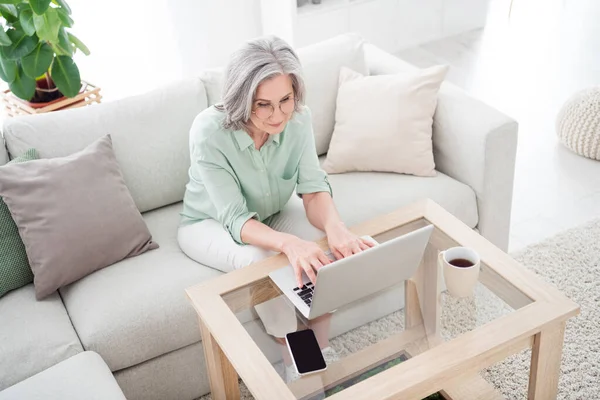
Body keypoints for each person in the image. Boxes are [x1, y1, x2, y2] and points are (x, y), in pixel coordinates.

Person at [178, 34, 374, 284]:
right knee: (265, 262)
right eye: (263, 104)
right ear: (242, 99)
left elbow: (313, 190)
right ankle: (293, 326)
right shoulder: (208, 133)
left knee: (324, 256)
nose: (278, 115)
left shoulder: (299, 119)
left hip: (270, 212)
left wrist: (337, 229)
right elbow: (237, 219)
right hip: (207, 223)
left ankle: (318, 325)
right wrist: (290, 244)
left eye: (285, 100)